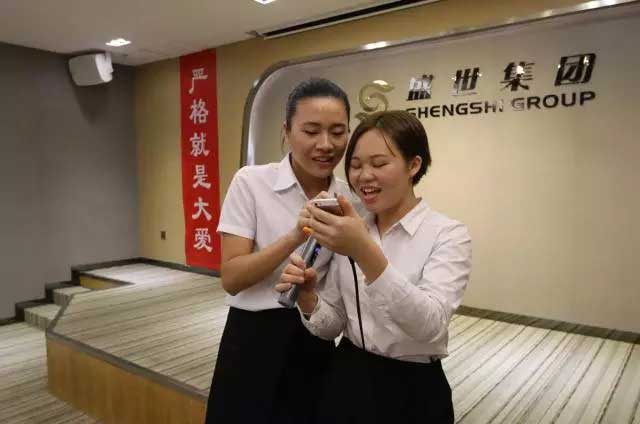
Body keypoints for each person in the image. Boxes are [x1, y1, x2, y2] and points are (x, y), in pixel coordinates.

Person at [277, 110, 472, 423]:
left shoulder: (448, 234)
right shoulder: (351, 229)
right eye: (355, 165)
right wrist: (309, 299)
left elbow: (430, 325)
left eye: (379, 164)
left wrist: (364, 251)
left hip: (414, 387)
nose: (364, 176)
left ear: (413, 165)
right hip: (347, 375)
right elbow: (333, 326)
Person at [204, 78, 354, 424]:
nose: (325, 144)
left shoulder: (351, 199)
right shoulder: (251, 182)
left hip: (314, 331)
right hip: (251, 335)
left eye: (337, 132)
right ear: (286, 131)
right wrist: (295, 235)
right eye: (311, 131)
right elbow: (231, 278)